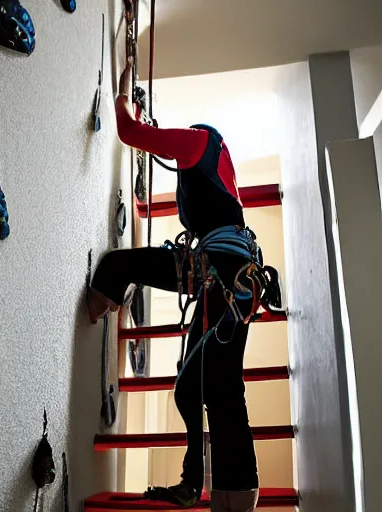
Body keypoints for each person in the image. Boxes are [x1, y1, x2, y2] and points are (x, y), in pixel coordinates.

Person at [87, 62, 281, 512]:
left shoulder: (198, 141)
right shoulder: (219, 165)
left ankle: (236, 492)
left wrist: (123, 96)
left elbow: (130, 132)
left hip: (222, 274)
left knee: (220, 384)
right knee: (196, 386)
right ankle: (204, 485)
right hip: (222, 273)